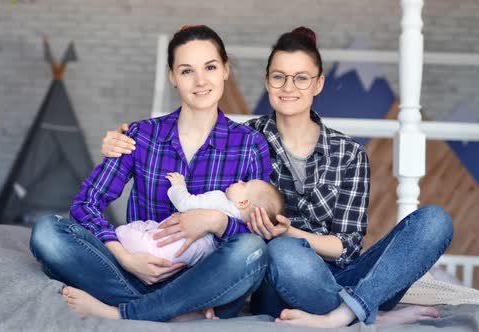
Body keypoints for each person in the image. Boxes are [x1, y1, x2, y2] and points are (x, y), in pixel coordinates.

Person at [100, 27, 454, 327]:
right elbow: (199, 175)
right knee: (284, 252)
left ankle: (344, 313)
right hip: (280, 280)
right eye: (278, 76)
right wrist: (126, 137)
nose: (289, 87)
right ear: (267, 82)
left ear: (318, 84)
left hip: (340, 275)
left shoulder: (349, 153)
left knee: (434, 221)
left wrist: (292, 232)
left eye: (302, 78)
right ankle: (365, 311)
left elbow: (347, 248)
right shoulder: (243, 141)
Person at [29, 25, 273, 322]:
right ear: (172, 76)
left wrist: (216, 221)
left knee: (253, 250)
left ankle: (124, 312)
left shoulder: (250, 144)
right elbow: (86, 203)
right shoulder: (141, 135)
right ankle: (175, 313)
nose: (200, 81)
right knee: (48, 233)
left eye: (209, 67)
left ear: (225, 69)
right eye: (186, 71)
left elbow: (257, 230)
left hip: (206, 281)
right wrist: (126, 258)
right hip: (135, 272)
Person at [117, 172, 285, 267]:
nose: (240, 180)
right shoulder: (240, 234)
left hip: (156, 246)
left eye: (244, 184)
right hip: (180, 261)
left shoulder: (219, 199)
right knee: (148, 227)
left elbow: (184, 203)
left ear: (243, 202)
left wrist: (178, 185)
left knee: (121, 232)